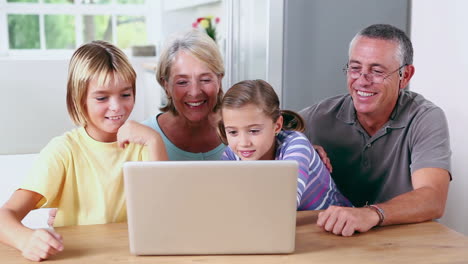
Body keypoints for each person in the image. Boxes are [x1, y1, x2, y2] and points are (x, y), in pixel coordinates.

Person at [0, 41, 168, 261]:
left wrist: (154, 140)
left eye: (125, 95)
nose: (117, 106)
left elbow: (166, 214)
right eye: (102, 98)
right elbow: (6, 215)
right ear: (79, 99)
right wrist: (24, 239)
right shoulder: (64, 151)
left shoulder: (144, 143)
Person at [300, 24, 451, 236]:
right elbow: (258, 143)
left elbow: (433, 198)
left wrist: (370, 214)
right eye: (355, 68)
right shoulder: (317, 117)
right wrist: (298, 149)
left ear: (405, 76)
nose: (362, 80)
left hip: (404, 244)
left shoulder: (425, 118)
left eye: (377, 71)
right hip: (333, 240)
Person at [218, 79, 352, 209]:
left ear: (277, 126)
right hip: (287, 224)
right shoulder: (231, 155)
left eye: (254, 131)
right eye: (233, 132)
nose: (243, 143)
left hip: (333, 224)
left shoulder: (296, 146)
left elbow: (285, 203)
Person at [142, 30, 226, 160]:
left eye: (205, 80)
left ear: (219, 81)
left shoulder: (242, 129)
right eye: (182, 82)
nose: (195, 92)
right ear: (166, 85)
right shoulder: (144, 135)